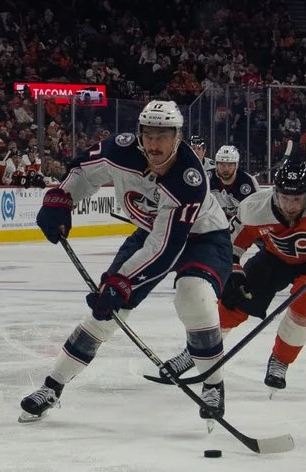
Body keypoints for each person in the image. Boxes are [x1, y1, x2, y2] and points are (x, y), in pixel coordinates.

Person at [19, 99, 234, 424]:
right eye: (148, 134)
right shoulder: (119, 150)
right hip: (151, 232)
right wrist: (62, 199)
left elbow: (166, 249)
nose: (154, 143)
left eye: (163, 135)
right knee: (106, 313)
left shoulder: (188, 179)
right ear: (139, 134)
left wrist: (121, 283)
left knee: (193, 296)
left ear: (177, 136)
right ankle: (53, 385)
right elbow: (82, 171)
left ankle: (213, 384)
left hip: (203, 237)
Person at [221, 159, 306, 390]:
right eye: (285, 197)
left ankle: (280, 360)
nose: (291, 206)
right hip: (274, 259)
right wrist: (232, 272)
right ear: (275, 192)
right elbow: (226, 246)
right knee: (234, 297)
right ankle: (199, 349)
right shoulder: (254, 207)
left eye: (297, 199)